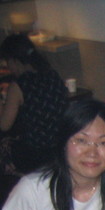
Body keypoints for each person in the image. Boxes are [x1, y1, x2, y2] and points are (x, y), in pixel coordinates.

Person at [0, 33, 68, 174]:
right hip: (60, 148)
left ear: (14, 60)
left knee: (5, 144)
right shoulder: (53, 76)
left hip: (35, 153)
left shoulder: (19, 85)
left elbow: (4, 125)